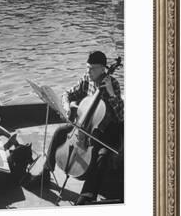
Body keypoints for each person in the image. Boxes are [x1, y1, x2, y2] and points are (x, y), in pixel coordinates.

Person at [42, 50, 124, 204]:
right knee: (60, 132)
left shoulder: (113, 83)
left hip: (106, 129)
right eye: (87, 67)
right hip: (85, 125)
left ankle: (87, 195)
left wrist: (112, 95)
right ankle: (46, 171)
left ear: (102, 68)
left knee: (102, 155)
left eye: (92, 68)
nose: (88, 71)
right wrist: (67, 106)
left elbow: (120, 116)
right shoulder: (87, 78)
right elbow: (68, 93)